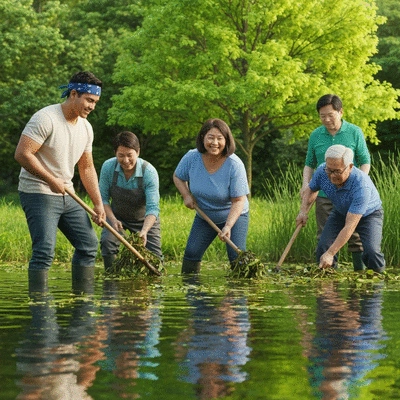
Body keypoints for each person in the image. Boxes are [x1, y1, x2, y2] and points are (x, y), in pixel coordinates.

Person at [14, 71, 105, 291]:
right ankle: (41, 311)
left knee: (89, 245)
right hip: (38, 191)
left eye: (95, 102)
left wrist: (98, 203)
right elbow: (22, 154)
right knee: (45, 250)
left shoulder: (85, 127)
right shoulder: (46, 118)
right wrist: (50, 179)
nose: (92, 106)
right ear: (74, 94)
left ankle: (82, 310)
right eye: (89, 100)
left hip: (67, 193)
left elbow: (86, 167)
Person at [300, 94, 371, 271]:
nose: (326, 119)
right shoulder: (316, 135)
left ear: (340, 112)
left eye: (330, 115)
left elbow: (365, 161)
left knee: (354, 234)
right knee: (324, 234)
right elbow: (309, 164)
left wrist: (359, 184)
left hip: (350, 196)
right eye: (322, 116)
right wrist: (305, 185)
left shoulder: (354, 132)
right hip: (324, 194)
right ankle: (329, 272)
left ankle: (359, 271)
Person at [173, 118, 250, 274]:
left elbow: (239, 200)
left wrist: (228, 226)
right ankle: (192, 291)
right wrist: (186, 195)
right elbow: (178, 176)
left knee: (236, 257)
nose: (215, 142)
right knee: (192, 253)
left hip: (234, 215)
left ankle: (239, 295)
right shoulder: (191, 157)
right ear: (203, 138)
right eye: (210, 137)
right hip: (204, 215)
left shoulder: (235, 164)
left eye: (220, 138)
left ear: (226, 140)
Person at [297, 144, 385, 273]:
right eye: (329, 170)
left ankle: (378, 282)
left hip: (369, 215)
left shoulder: (361, 185)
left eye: (337, 171)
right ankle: (328, 286)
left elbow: (350, 226)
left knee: (372, 251)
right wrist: (303, 211)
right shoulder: (322, 171)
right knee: (323, 247)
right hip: (340, 211)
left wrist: (331, 253)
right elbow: (311, 189)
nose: (332, 175)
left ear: (349, 167)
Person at [99, 131, 162, 271]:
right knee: (107, 242)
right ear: (115, 153)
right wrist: (112, 219)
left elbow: (153, 208)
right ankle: (112, 278)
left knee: (155, 257)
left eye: (129, 155)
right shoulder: (108, 167)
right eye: (121, 155)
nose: (125, 160)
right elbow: (102, 199)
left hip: (144, 219)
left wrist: (144, 230)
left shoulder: (149, 172)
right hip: (116, 216)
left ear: (138, 152)